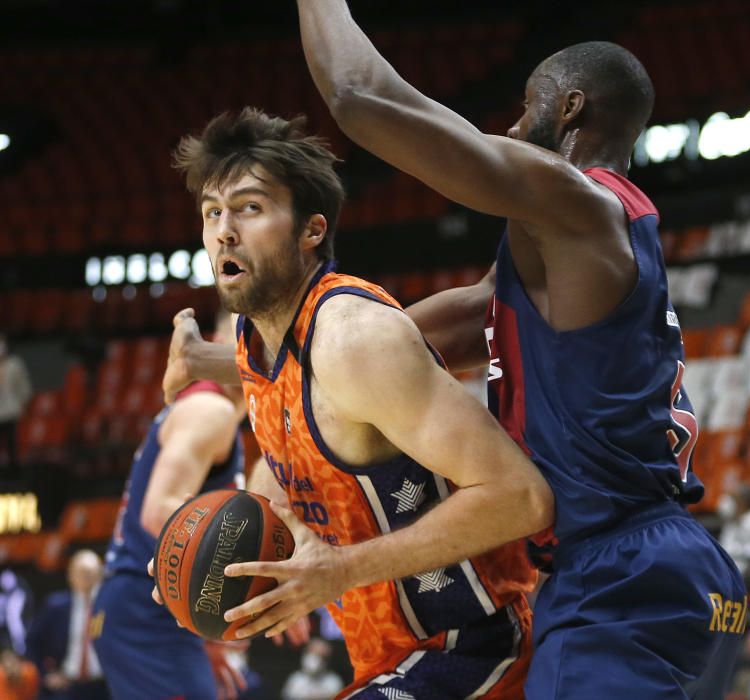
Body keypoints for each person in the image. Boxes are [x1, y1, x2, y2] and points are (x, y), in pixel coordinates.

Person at [290, 3, 748, 697]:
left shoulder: (575, 204)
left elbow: (362, 99)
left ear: (568, 109)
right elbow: (452, 325)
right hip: (665, 571)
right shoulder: (586, 243)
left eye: (524, 106)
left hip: (616, 576)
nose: (509, 126)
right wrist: (280, 360)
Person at [158, 108, 554, 698]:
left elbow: (522, 499)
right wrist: (213, 557)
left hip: (478, 646)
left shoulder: (352, 337)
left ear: (311, 230)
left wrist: (337, 571)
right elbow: (289, 461)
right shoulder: (255, 341)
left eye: (249, 208)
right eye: (213, 213)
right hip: (391, 659)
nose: (224, 231)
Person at [91, 310, 249, 700]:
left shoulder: (219, 413)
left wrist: (207, 628)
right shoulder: (211, 410)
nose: (256, 342)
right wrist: (249, 581)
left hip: (151, 612)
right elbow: (160, 512)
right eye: (244, 329)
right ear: (214, 340)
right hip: (146, 612)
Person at [25, 550, 108, 700]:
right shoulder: (55, 605)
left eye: (91, 573)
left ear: (100, 575)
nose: (86, 578)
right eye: (82, 573)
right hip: (67, 686)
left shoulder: (111, 607)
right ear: (70, 575)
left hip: (104, 686)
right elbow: (32, 642)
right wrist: (46, 674)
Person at [0, 334, 32, 479]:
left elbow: (23, 386)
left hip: (12, 410)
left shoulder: (14, 364)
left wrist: (23, 402)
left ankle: (15, 473)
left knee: (12, 442)